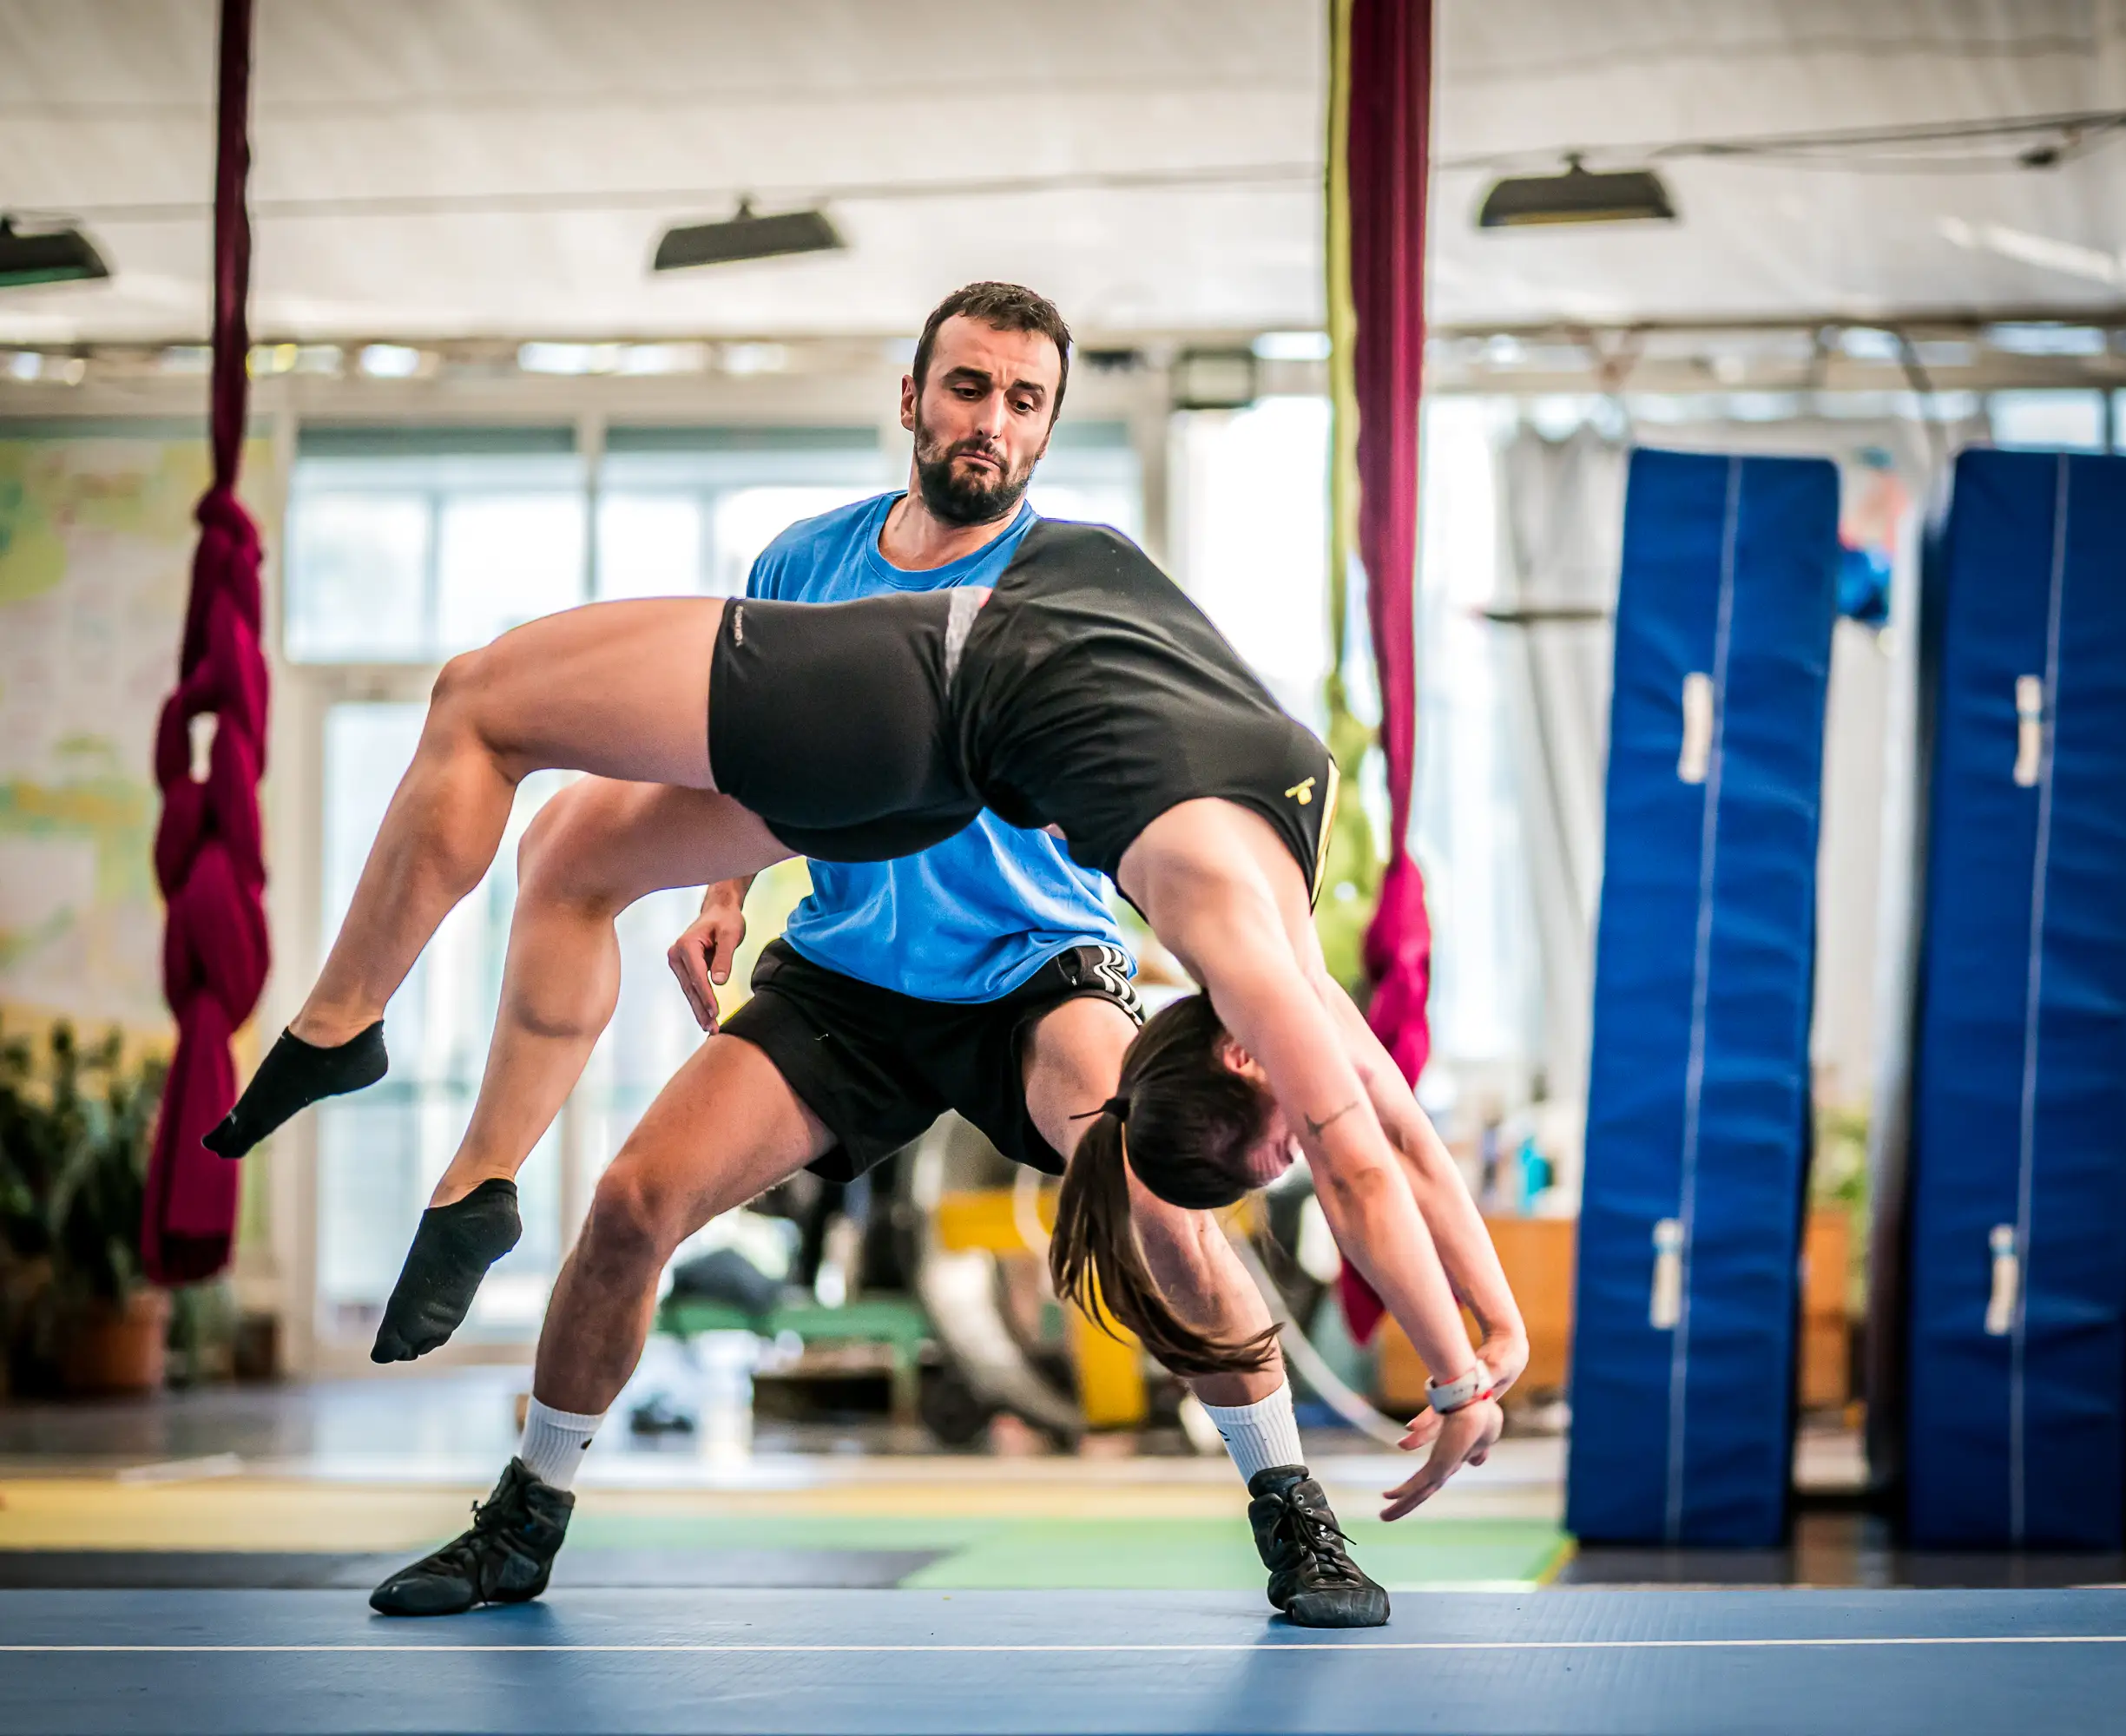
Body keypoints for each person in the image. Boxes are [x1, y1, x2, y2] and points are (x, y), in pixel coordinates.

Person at [205, 281, 1528, 1585]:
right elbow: (749, 775)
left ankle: (1291, 1511)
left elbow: (1372, 1129)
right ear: (912, 399)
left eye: (1025, 403)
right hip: (847, 974)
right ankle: (526, 1516)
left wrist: (1476, 1347)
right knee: (626, 1206)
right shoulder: (808, 564)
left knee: (1163, 1214)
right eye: (969, 388)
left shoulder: (1088, 620)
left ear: (1049, 431)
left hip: (1037, 970)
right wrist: (720, 898)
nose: (992, 423)